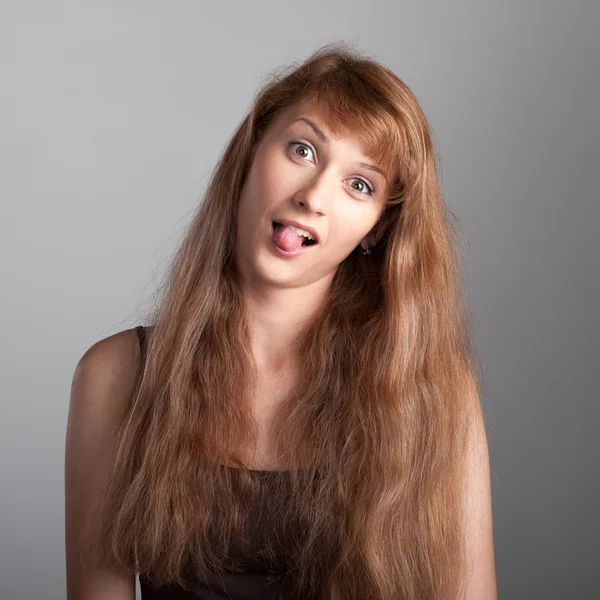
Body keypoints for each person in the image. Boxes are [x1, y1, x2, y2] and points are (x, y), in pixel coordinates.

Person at [65, 42, 497, 599]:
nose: (314, 196)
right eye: (302, 150)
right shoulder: (116, 375)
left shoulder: (437, 396)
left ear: (377, 229)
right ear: (251, 153)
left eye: (359, 184)